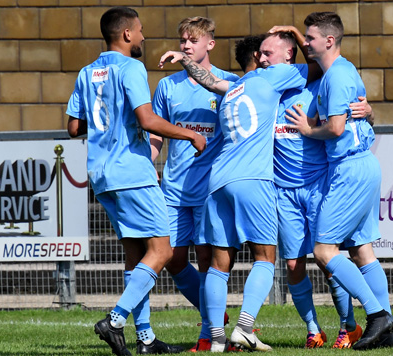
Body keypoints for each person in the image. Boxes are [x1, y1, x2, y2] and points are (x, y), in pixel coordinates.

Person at [159, 36, 317, 352]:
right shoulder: (272, 75)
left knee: (218, 264)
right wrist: (298, 38)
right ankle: (244, 328)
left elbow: (208, 79)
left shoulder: (233, 86)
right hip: (252, 177)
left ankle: (215, 338)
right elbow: (316, 65)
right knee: (265, 257)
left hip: (217, 180)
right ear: (261, 58)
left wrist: (184, 59)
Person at [66, 7, 206, 356]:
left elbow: (73, 128)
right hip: (131, 173)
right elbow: (146, 119)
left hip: (101, 176)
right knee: (162, 250)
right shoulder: (131, 67)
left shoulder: (86, 72)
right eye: (140, 31)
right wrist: (188, 134)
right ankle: (115, 320)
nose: (143, 36)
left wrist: (106, 122)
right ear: (127, 34)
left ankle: (145, 339)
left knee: (136, 256)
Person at [285, 12, 393, 351]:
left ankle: (378, 316)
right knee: (362, 251)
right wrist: (371, 112)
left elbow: (335, 128)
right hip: (364, 164)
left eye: (310, 37)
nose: (305, 43)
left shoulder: (336, 77)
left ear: (329, 41)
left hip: (349, 168)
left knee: (323, 251)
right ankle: (388, 331)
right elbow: (360, 115)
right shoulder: (347, 70)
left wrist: (306, 130)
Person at [259, 28, 372, 349]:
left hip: (321, 186)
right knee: (294, 265)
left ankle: (348, 326)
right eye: (260, 54)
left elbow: (355, 110)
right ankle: (313, 329)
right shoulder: (264, 92)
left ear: (289, 56)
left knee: (328, 258)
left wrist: (369, 110)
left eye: (268, 54)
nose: (261, 59)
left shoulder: (319, 85)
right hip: (284, 192)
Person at [150, 16, 239, 352]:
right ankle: (212, 314)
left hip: (210, 189)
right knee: (171, 257)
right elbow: (157, 131)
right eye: (183, 40)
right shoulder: (168, 86)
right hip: (174, 187)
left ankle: (208, 335)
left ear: (210, 44)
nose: (186, 46)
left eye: (193, 41)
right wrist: (150, 159)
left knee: (207, 260)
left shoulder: (229, 83)